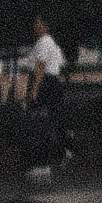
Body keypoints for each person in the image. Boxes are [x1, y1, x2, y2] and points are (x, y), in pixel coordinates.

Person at [22, 15, 70, 178]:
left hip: (44, 83)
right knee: (52, 120)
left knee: (38, 123)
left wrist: (34, 89)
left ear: (46, 26)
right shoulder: (52, 43)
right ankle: (60, 153)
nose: (35, 25)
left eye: (38, 23)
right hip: (52, 82)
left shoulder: (44, 42)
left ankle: (41, 163)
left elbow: (41, 66)